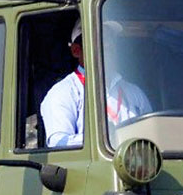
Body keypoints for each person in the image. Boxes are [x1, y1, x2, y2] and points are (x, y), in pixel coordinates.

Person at [39, 20, 152, 149]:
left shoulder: (134, 92)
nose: (108, 45)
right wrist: (108, 140)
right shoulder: (62, 93)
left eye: (110, 39)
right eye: (99, 39)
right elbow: (58, 143)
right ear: (76, 50)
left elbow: (153, 136)